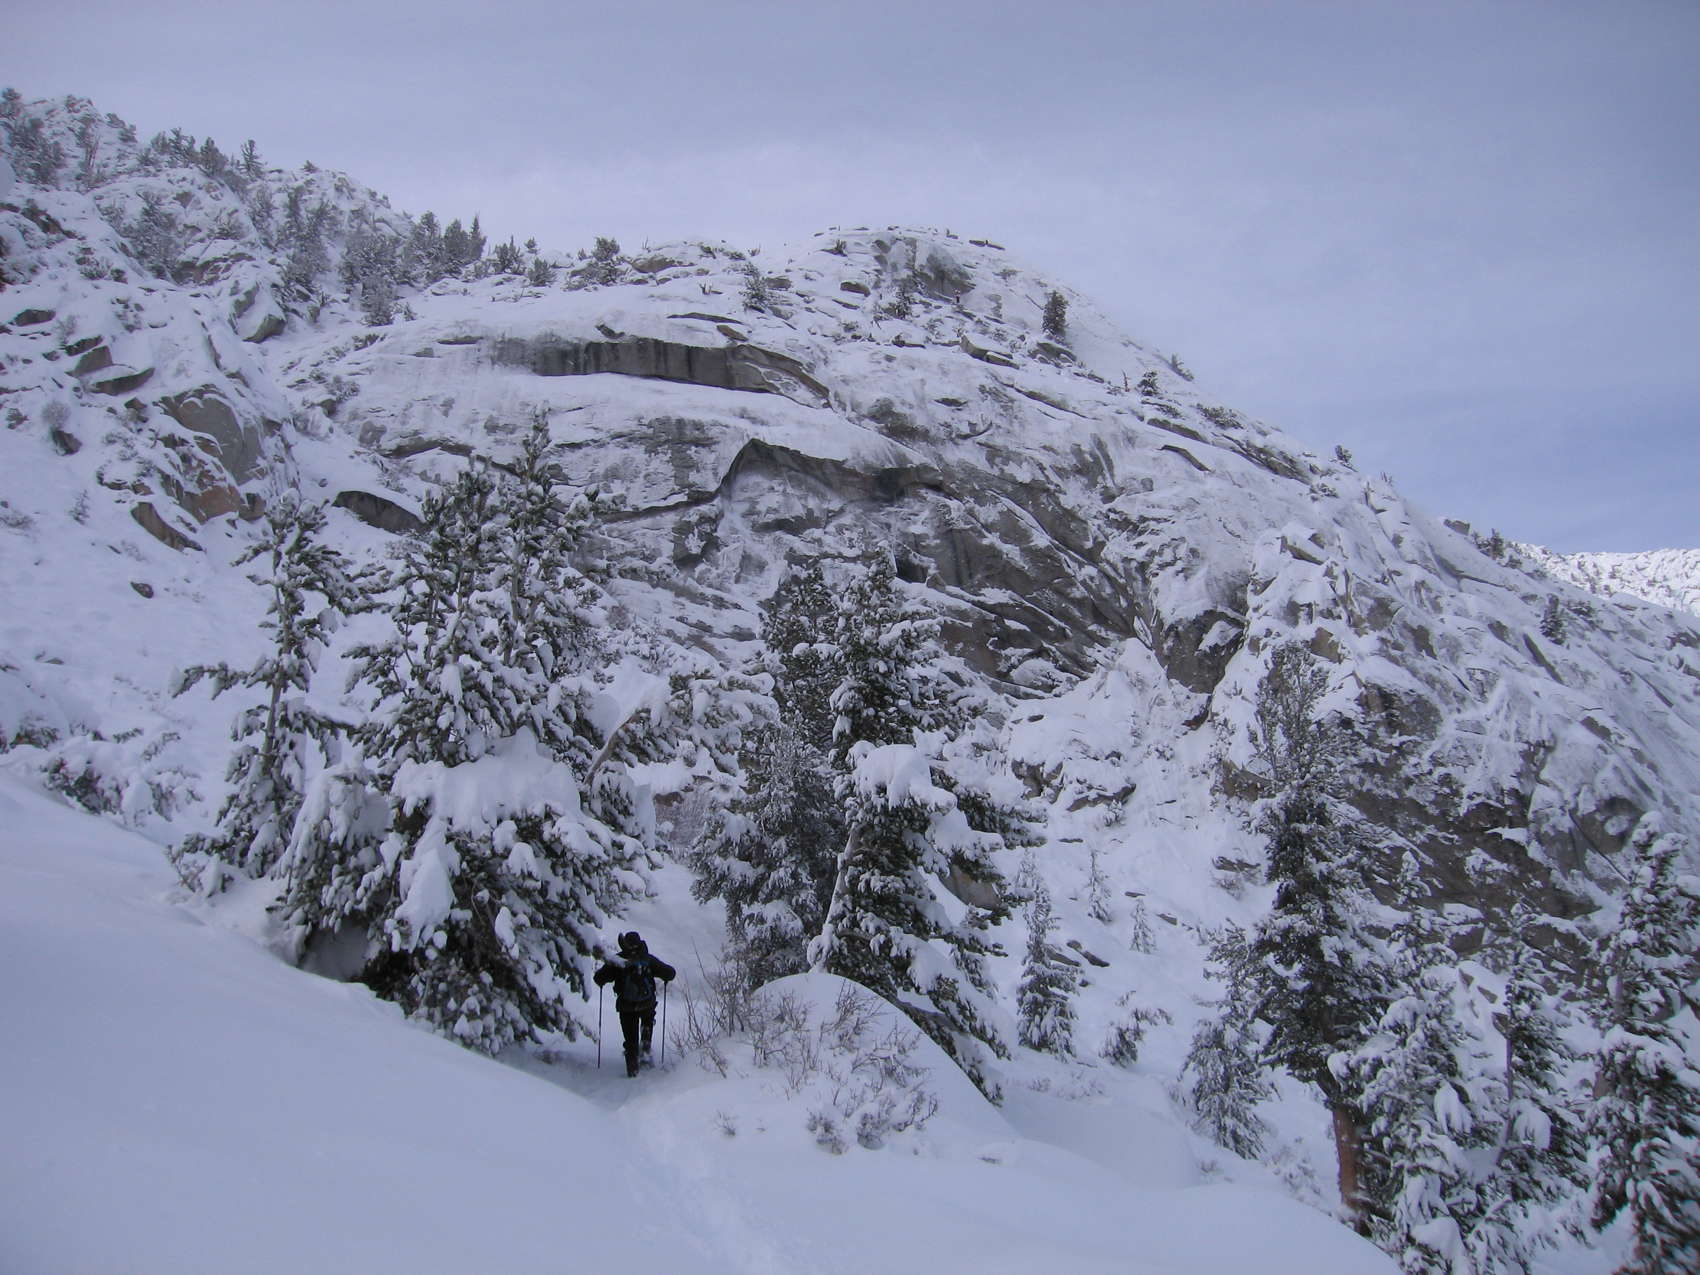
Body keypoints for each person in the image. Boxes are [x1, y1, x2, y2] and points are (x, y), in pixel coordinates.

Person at [593, 931, 676, 1077]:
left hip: (626, 1007)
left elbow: (599, 978)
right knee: (647, 1024)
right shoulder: (647, 959)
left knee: (630, 1039)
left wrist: (602, 980)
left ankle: (633, 1070)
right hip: (647, 1004)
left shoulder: (619, 960)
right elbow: (670, 973)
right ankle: (645, 1053)